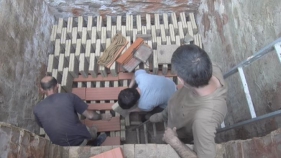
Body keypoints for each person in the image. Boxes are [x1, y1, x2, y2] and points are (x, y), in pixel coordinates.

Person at [149, 45, 228, 158]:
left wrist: (174, 141)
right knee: (161, 114)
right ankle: (160, 116)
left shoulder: (205, 119)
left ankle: (163, 133)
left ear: (181, 80)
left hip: (178, 130)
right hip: (173, 108)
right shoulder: (210, 67)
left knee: (165, 136)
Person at [33, 76, 111, 146]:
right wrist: (103, 116)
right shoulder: (69, 97)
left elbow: (42, 125)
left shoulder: (37, 109)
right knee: (93, 130)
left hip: (60, 147)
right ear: (57, 86)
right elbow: (90, 115)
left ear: (42, 90)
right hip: (79, 142)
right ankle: (94, 142)